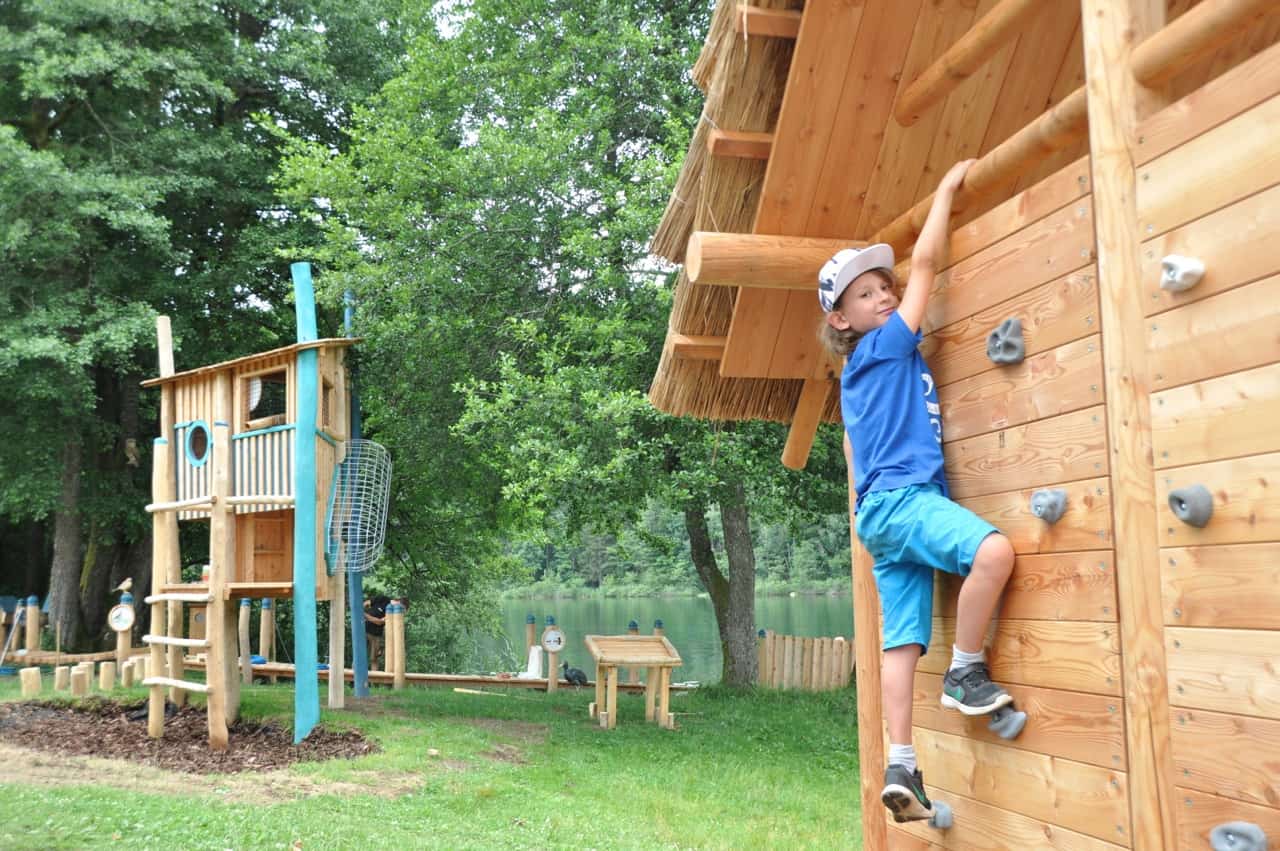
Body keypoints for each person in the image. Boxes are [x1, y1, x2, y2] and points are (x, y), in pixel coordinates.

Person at [817, 158, 1017, 824]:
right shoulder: (883, 350)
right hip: (904, 502)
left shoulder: (861, 375)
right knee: (992, 553)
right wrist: (944, 192)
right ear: (842, 320)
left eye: (884, 286)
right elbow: (926, 265)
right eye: (868, 294)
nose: (884, 297)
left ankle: (901, 761)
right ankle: (966, 668)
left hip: (878, 515)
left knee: (899, 641)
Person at [364, 594, 390, 671]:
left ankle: (374, 682)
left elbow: (379, 622)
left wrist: (363, 614)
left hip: (376, 636)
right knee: (358, 656)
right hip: (363, 631)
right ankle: (353, 680)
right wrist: (359, 609)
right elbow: (366, 603)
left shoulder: (393, 611)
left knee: (374, 659)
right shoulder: (384, 599)